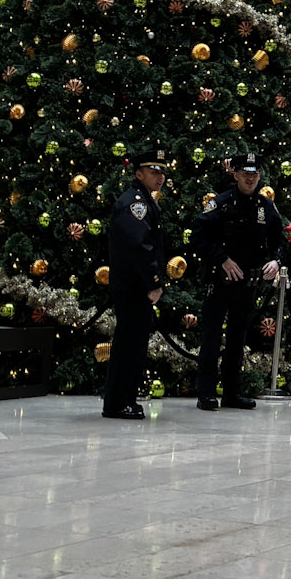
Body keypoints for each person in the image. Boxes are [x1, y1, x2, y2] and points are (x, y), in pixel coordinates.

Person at [190, 153, 283, 410]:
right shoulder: (220, 204)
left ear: (260, 176)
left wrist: (275, 261)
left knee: (237, 340)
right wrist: (222, 259)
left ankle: (232, 392)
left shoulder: (266, 208)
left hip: (247, 285)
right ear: (235, 174)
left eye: (254, 173)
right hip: (220, 282)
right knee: (211, 337)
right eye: (245, 173)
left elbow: (279, 241)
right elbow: (198, 237)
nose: (250, 178)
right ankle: (206, 393)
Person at [103, 152, 169, 420]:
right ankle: (119, 402)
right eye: (154, 171)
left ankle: (124, 398)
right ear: (139, 174)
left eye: (162, 172)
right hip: (134, 288)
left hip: (133, 286)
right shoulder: (135, 204)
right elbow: (139, 248)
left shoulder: (143, 201)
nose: (160, 177)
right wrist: (153, 283)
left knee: (133, 344)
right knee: (129, 345)